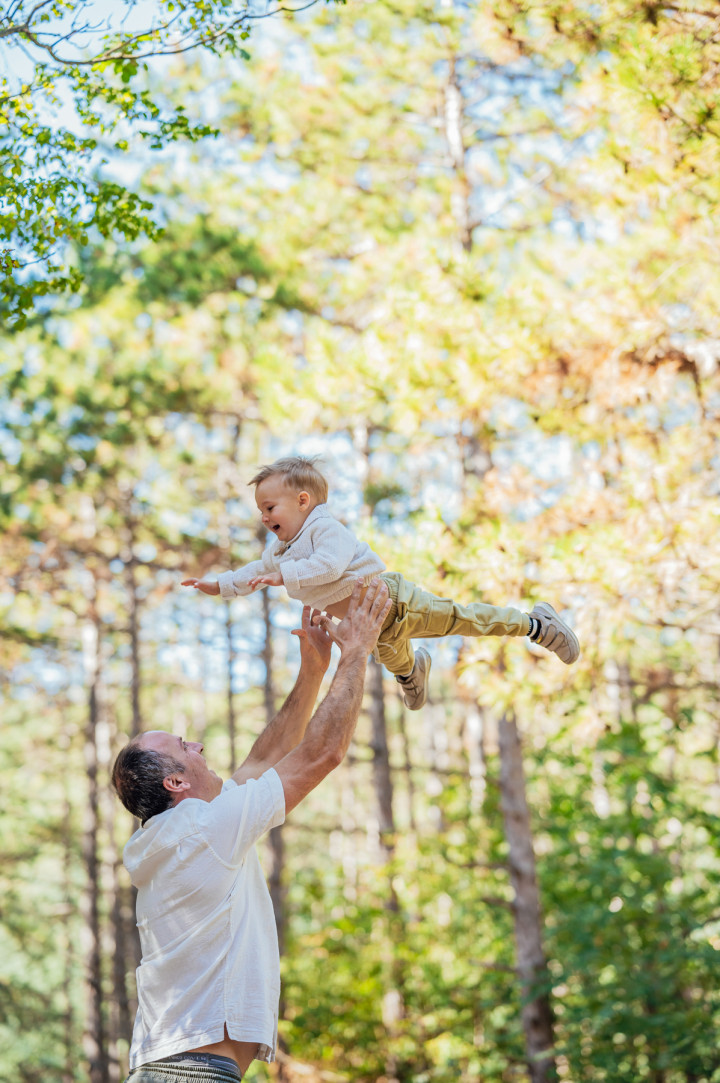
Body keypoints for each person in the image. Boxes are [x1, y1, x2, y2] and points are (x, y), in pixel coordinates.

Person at [112, 579, 392, 1083]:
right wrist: (358, 652)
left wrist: (312, 670)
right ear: (176, 781)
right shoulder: (204, 829)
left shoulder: (179, 832)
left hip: (171, 1069)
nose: (197, 743)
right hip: (193, 1074)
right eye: (183, 746)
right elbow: (321, 754)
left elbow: (264, 759)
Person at [182, 456, 580, 710]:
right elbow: (254, 568)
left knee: (464, 620)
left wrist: (284, 576)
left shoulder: (324, 528)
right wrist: (220, 584)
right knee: (394, 659)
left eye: (270, 508)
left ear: (303, 501)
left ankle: (536, 624)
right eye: (260, 511)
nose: (265, 518)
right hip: (371, 623)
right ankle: (412, 673)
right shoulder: (280, 550)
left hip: (393, 601)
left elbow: (330, 566)